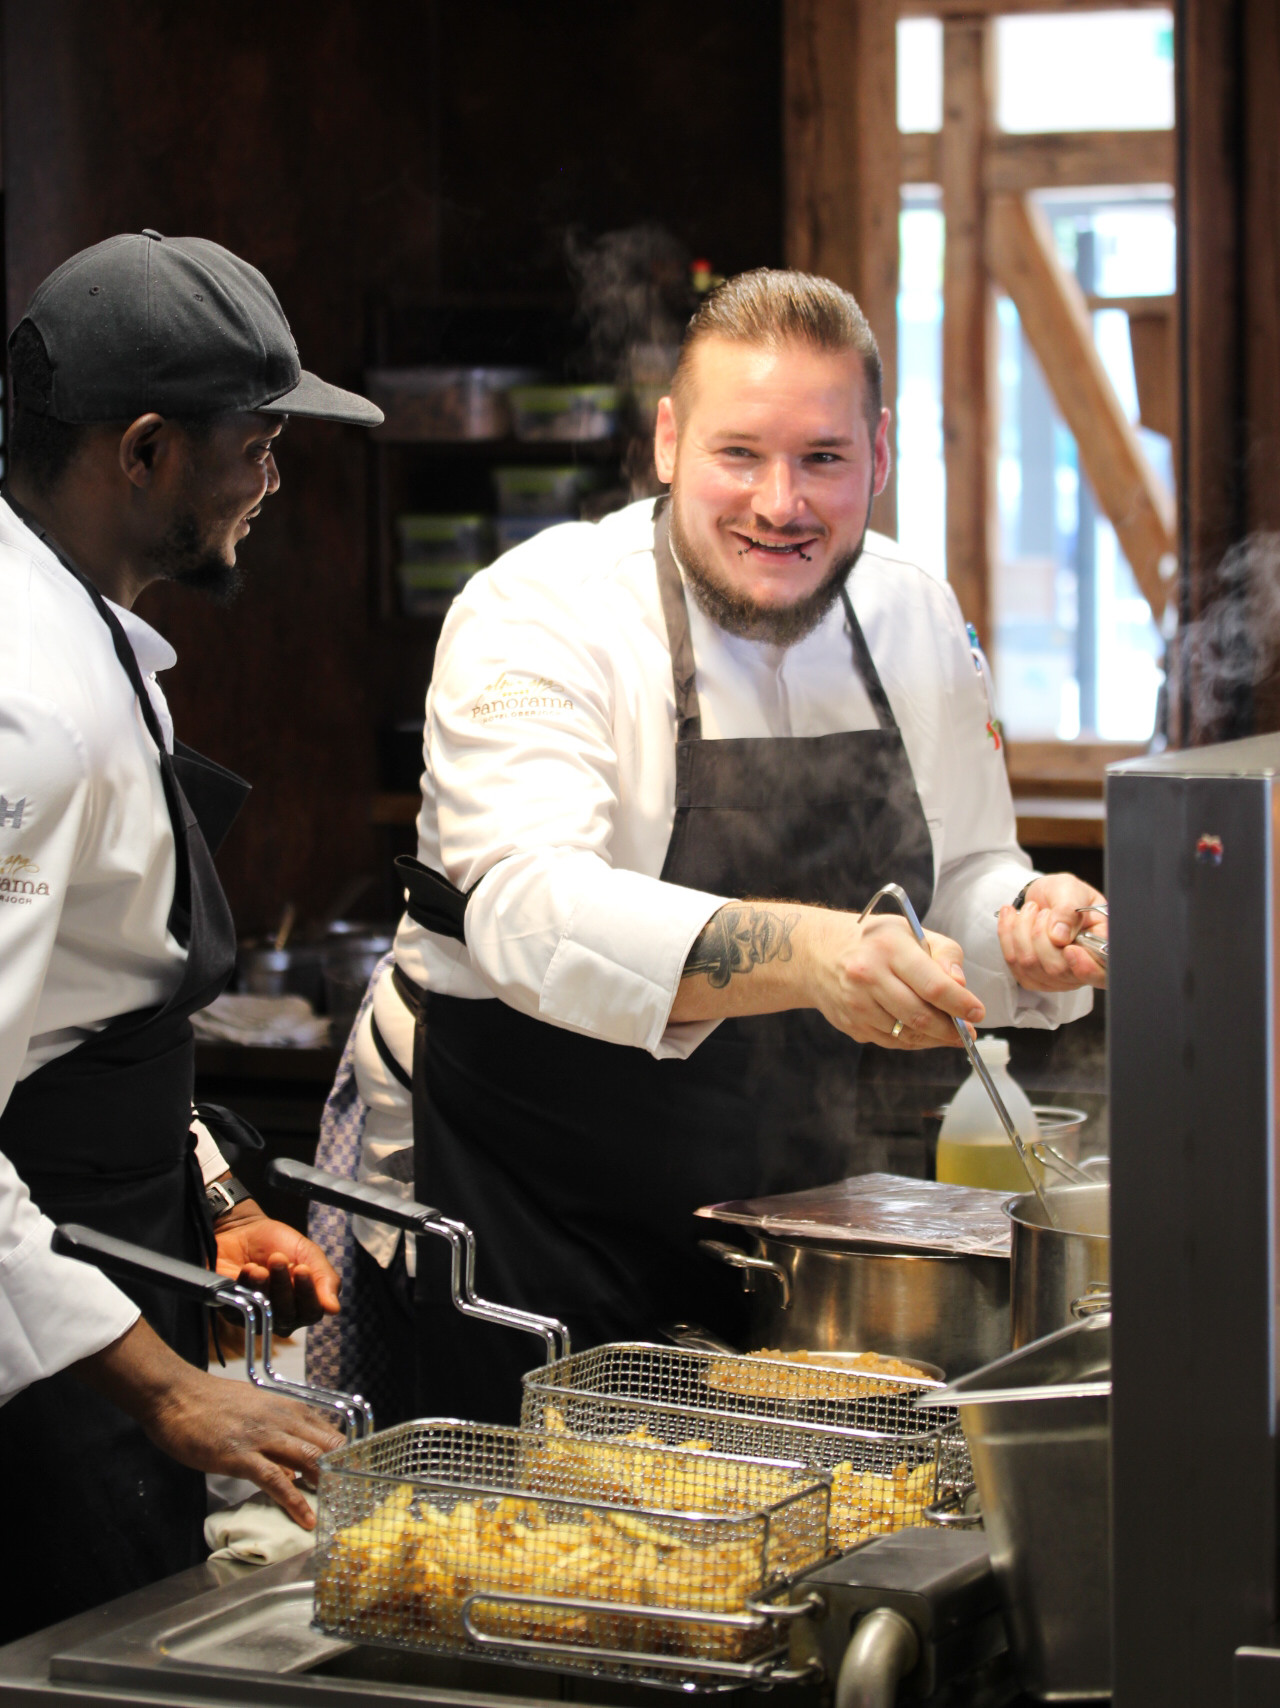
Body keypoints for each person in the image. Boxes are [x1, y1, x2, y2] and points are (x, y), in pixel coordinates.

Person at [326, 268, 1106, 1424]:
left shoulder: (909, 609)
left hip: (786, 1209)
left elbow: (962, 875)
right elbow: (527, 911)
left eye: (822, 460)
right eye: (738, 455)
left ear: (877, 455)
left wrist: (1019, 928)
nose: (780, 502)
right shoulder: (537, 611)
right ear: (667, 443)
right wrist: (805, 952)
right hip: (527, 1200)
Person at [0, 230, 383, 1641]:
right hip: (37, 1381)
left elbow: (82, 1022)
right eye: (261, 443)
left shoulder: (86, 634)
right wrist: (164, 1387)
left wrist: (211, 1197)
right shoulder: (25, 711)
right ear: (147, 450)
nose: (275, 480)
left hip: (95, 1273)